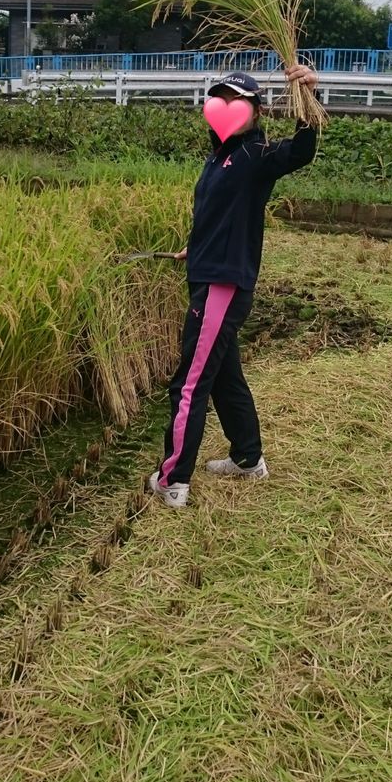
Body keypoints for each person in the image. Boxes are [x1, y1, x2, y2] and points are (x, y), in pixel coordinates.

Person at [149, 64, 319, 507]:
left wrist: (307, 96)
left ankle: (174, 479)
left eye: (240, 100)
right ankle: (248, 458)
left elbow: (301, 151)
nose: (229, 107)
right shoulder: (218, 157)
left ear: (256, 111)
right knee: (225, 377)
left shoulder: (256, 155)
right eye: (222, 98)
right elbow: (217, 216)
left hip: (222, 285)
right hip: (209, 271)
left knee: (188, 383)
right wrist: (195, 248)